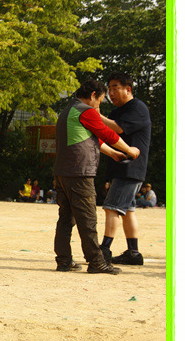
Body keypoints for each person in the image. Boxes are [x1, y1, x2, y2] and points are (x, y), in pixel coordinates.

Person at [53, 79, 139, 275]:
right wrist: (129, 149)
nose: (98, 106)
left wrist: (114, 154)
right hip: (79, 173)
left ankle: (64, 261)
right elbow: (106, 133)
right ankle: (96, 262)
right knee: (88, 219)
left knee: (65, 219)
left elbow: (91, 138)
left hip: (62, 172)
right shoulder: (86, 110)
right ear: (93, 95)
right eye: (100, 101)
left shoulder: (68, 110)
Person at [99, 73, 152, 266]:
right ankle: (133, 253)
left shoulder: (137, 108)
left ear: (128, 89)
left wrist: (94, 115)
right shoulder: (117, 112)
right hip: (121, 168)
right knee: (128, 211)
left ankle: (104, 251)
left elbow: (118, 129)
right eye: (109, 89)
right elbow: (107, 134)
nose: (110, 93)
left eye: (115, 88)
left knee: (111, 208)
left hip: (130, 168)